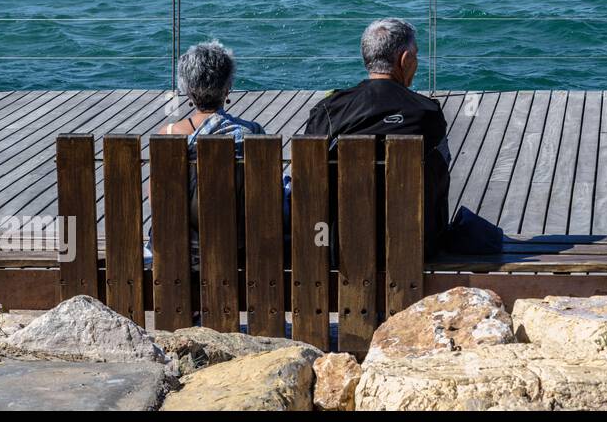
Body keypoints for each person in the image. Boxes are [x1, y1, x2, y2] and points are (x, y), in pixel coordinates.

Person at [302, 18, 457, 256]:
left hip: (337, 245)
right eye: (415, 55)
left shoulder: (328, 110)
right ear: (404, 60)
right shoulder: (427, 113)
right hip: (413, 245)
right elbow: (438, 177)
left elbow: (308, 176)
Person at [152, 39, 265, 266]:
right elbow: (264, 192)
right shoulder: (250, 132)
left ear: (188, 91)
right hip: (238, 251)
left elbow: (156, 197)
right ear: (227, 88)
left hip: (178, 255)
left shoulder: (168, 135)